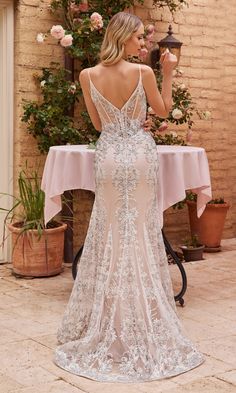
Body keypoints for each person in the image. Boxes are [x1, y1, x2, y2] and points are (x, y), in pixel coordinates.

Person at [54, 11, 204, 383]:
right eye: (139, 38)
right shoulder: (144, 73)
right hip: (137, 156)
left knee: (109, 235)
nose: (144, 44)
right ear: (122, 38)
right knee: (138, 233)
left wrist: (125, 121)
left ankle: (110, 321)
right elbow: (164, 110)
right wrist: (169, 73)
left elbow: (98, 125)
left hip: (108, 158)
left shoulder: (88, 76)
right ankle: (134, 317)